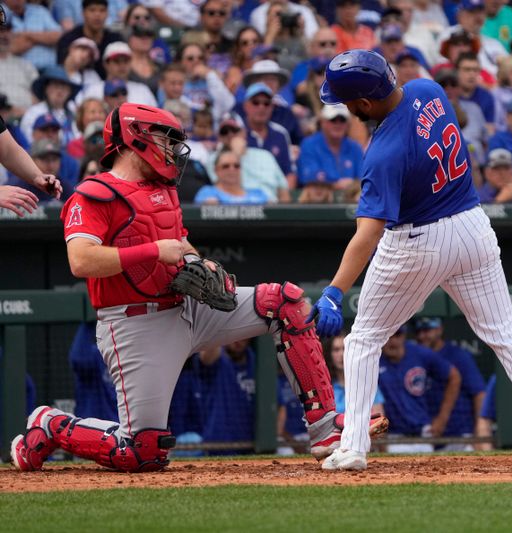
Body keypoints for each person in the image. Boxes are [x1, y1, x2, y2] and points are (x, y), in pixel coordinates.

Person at [11, 102, 388, 473]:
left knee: (285, 302)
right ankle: (51, 425)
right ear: (132, 138)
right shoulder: (93, 192)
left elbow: (179, 242)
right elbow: (81, 259)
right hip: (135, 323)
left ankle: (325, 431)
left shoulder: (163, 189)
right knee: (142, 452)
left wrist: (199, 261)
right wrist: (155, 251)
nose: (171, 148)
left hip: (188, 307)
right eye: (164, 138)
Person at [311, 49, 512, 471]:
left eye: (348, 102)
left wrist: (335, 291)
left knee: (362, 340)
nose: (348, 110)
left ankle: (353, 448)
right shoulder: (429, 89)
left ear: (365, 103)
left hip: (417, 241)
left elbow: (369, 232)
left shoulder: (382, 152)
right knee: (507, 335)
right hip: (472, 228)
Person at [377, 327, 461, 453]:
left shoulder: (420, 353)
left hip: (423, 433)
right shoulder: (374, 359)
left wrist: (442, 418)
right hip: (393, 437)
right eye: (387, 336)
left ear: (404, 335)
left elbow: (454, 376)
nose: (392, 340)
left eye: (397, 335)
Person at [415, 316, 486, 450]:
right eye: (419, 332)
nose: (422, 336)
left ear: (439, 330)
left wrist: (479, 432)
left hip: (459, 433)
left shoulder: (458, 355)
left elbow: (479, 394)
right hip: (428, 436)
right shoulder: (416, 356)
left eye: (427, 330)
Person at [297, 104, 364, 190]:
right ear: (322, 122)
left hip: (350, 199)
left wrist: (351, 184)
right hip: (319, 201)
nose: (338, 124)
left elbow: (363, 178)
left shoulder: (355, 148)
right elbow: (309, 176)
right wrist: (337, 184)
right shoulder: (309, 145)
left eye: (342, 120)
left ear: (347, 124)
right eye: (333, 120)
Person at [55, 0, 124, 79]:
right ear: (83, 13)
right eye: (92, 10)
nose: (97, 15)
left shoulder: (115, 39)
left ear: (107, 14)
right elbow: (62, 70)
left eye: (102, 10)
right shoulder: (69, 39)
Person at [68, 321, 118, 421]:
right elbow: (79, 360)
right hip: (91, 427)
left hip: (121, 428)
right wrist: (88, 324)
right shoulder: (95, 355)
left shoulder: (129, 355)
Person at [194, 149, 271, 205]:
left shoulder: (258, 193)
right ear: (216, 170)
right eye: (226, 166)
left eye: (236, 166)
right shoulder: (207, 193)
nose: (232, 169)